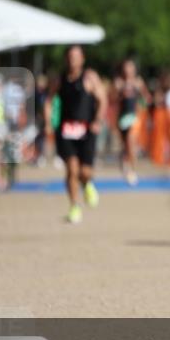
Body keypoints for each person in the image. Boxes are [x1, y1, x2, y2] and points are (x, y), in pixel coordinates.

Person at [46, 45, 108, 224]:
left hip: (86, 131)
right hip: (66, 131)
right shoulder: (60, 79)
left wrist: (98, 120)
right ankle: (74, 206)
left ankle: (87, 184)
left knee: (85, 171)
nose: (73, 60)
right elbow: (49, 100)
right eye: (70, 56)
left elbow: (102, 99)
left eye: (76, 56)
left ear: (83, 59)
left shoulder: (90, 78)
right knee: (71, 169)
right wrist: (49, 123)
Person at [114, 58, 150, 185]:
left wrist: (142, 102)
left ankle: (133, 171)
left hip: (134, 117)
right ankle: (124, 162)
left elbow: (147, 98)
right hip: (122, 117)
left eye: (130, 67)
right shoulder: (118, 82)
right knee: (125, 145)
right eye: (126, 67)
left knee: (131, 142)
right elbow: (112, 98)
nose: (128, 70)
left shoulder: (138, 82)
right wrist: (119, 91)